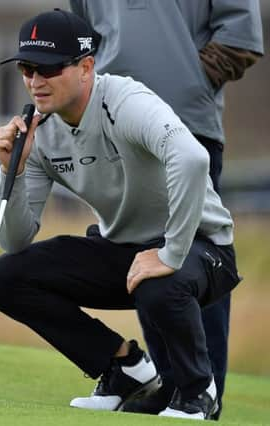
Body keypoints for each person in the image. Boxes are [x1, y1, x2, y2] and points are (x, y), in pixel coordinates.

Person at [0, 9, 241, 420]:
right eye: (27, 68)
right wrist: (10, 171)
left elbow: (192, 159)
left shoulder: (124, 100)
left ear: (86, 67)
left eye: (48, 68)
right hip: (123, 250)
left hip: (202, 249)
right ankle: (122, 367)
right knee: (5, 277)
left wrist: (170, 252)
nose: (35, 81)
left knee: (159, 283)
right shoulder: (38, 131)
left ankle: (198, 392)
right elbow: (14, 239)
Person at [68, 1, 264, 419]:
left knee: (194, 254)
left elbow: (240, 34)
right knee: (141, 249)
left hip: (186, 120)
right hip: (113, 120)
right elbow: (85, 35)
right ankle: (173, 384)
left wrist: (190, 81)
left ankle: (203, 392)